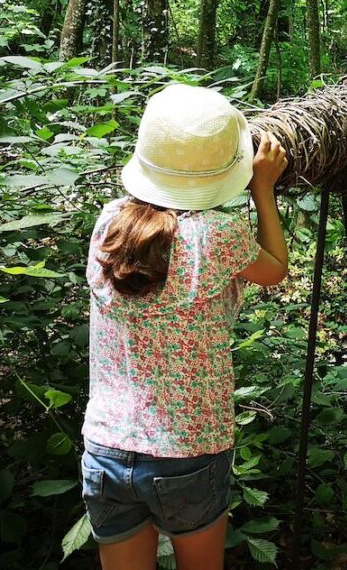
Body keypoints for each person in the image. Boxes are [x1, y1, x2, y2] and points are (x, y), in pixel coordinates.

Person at [79, 83, 288, 570]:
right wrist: (262, 189)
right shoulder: (215, 233)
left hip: (106, 447)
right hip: (188, 450)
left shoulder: (108, 221)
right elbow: (275, 268)